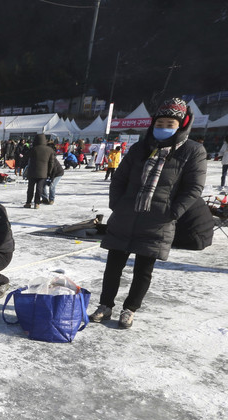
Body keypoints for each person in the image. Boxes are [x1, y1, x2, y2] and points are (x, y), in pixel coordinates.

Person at [89, 98, 207, 329]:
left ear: (181, 125)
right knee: (113, 266)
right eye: (160, 122)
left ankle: (130, 309)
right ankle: (105, 305)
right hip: (126, 215)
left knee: (144, 270)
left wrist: (172, 212)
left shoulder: (193, 151)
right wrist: (117, 204)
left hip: (158, 219)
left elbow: (194, 188)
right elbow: (120, 178)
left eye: (170, 123)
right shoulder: (140, 147)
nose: (164, 127)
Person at [24, 133, 54, 208]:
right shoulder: (50, 150)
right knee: (39, 189)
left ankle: (28, 203)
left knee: (30, 188)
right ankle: (36, 203)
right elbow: (51, 163)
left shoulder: (33, 149)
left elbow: (25, 157)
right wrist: (49, 172)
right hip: (43, 173)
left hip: (32, 172)